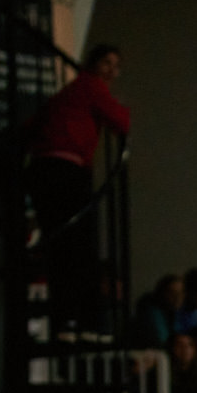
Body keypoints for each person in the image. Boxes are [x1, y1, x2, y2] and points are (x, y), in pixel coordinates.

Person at [25, 44, 128, 337]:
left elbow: (32, 126)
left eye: (116, 66)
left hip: (44, 169)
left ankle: (66, 320)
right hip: (67, 170)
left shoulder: (70, 92)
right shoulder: (91, 87)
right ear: (93, 65)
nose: (112, 71)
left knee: (61, 246)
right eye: (107, 63)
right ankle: (84, 321)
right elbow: (122, 122)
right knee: (80, 246)